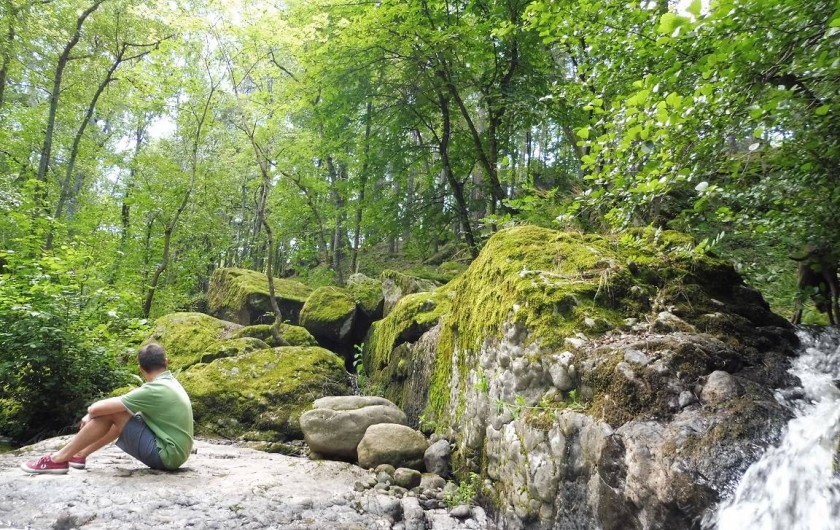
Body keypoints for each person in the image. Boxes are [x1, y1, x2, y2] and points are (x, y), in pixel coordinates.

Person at [21, 343, 193, 474]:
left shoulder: (155, 389)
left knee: (115, 412)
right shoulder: (169, 383)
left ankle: (58, 459)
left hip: (167, 457)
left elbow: (97, 409)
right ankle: (79, 455)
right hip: (175, 454)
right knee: (120, 412)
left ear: (141, 369)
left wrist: (89, 413)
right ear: (166, 362)